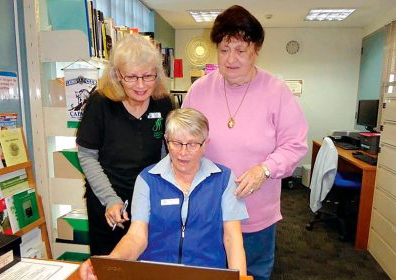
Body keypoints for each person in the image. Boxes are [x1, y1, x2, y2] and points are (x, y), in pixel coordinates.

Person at [182, 5, 308, 280]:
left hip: (256, 214)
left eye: (240, 50)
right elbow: (184, 141)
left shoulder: (276, 91)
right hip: (208, 214)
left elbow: (295, 145)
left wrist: (265, 169)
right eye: (224, 49)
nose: (231, 59)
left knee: (252, 274)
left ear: (256, 50)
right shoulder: (199, 90)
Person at [80, 108, 248, 279]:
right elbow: (137, 235)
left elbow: (232, 238)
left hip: (207, 273)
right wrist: (112, 262)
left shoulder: (224, 179)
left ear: (205, 144)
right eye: (176, 143)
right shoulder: (147, 179)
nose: (183, 152)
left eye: (192, 144)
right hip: (156, 273)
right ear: (167, 141)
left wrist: (241, 278)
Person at [76, 34, 173, 255]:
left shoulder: (163, 102)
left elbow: (165, 153)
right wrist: (110, 200)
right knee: (111, 266)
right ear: (117, 75)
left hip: (149, 199)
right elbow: (87, 156)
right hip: (108, 201)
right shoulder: (100, 103)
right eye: (131, 77)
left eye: (148, 76)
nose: (141, 85)